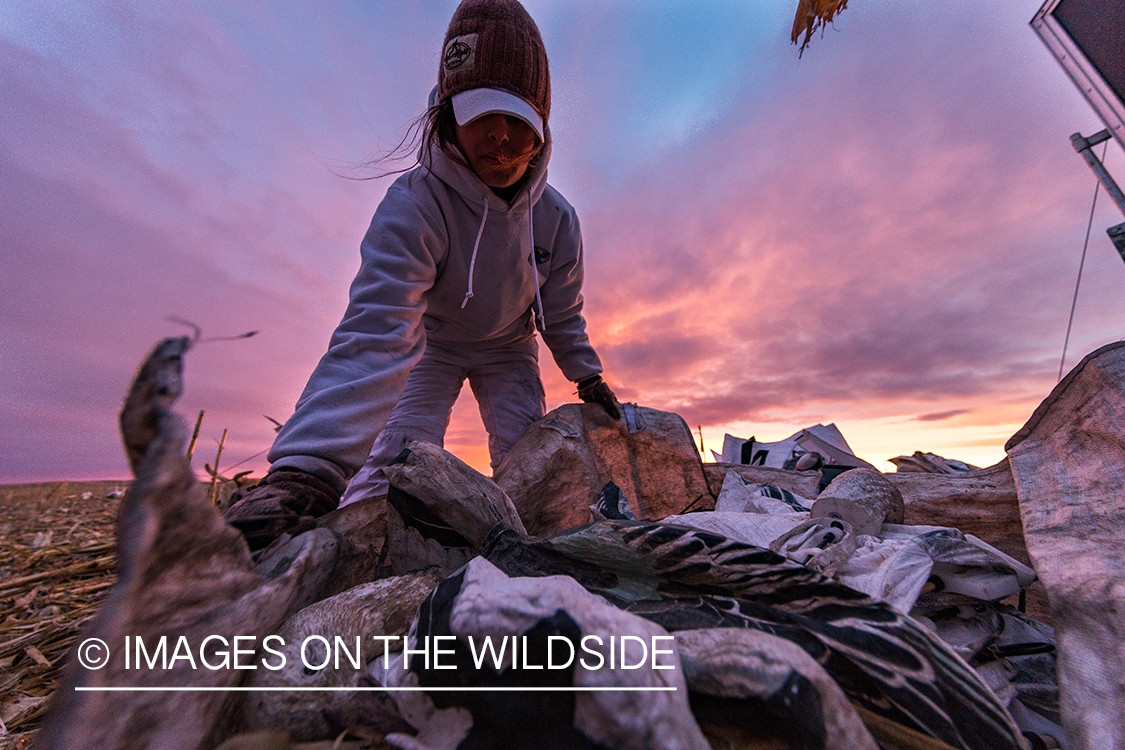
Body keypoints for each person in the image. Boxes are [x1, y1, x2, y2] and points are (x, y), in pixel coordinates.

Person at [225, 0, 619, 550]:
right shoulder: (415, 204)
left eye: (519, 120)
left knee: (531, 459)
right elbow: (376, 327)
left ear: (543, 130)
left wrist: (586, 374)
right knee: (396, 463)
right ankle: (361, 551)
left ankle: (530, 553)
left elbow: (560, 312)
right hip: (432, 346)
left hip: (509, 347)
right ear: (449, 114)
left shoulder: (556, 219)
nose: (501, 138)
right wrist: (307, 467)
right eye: (483, 115)